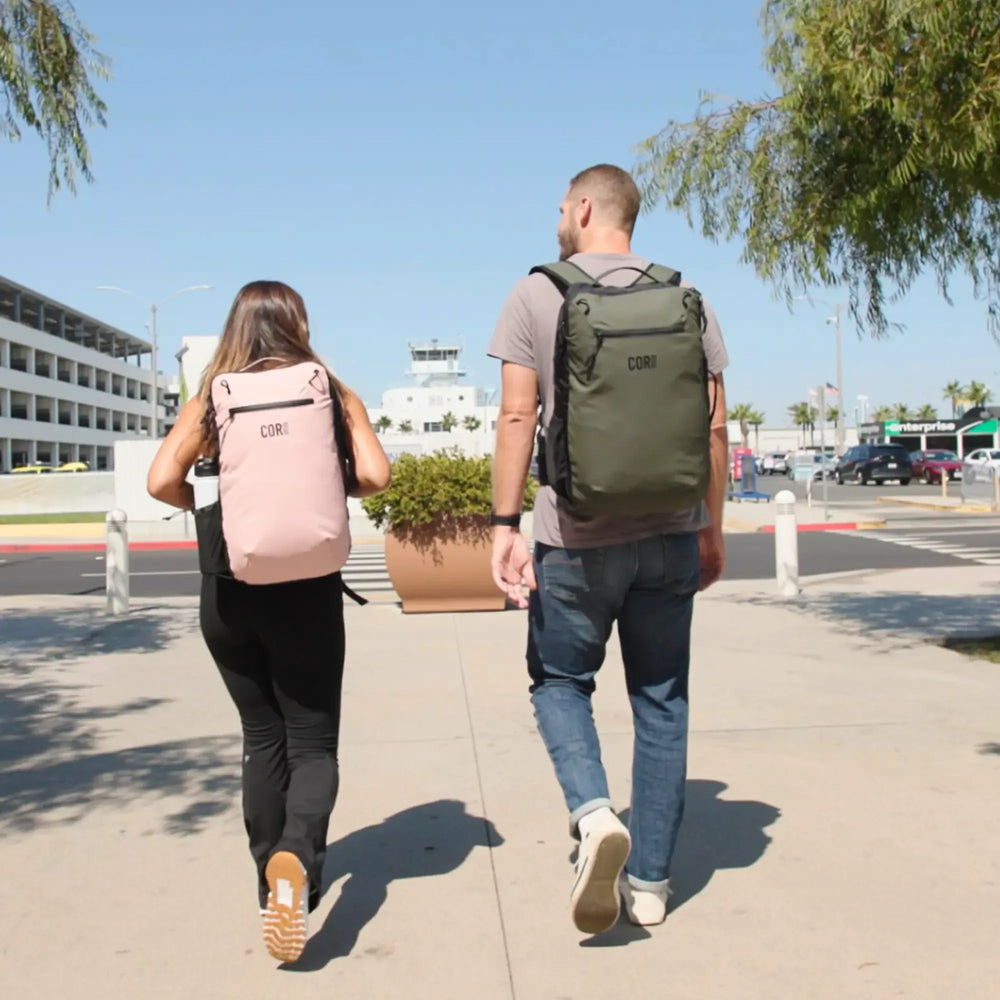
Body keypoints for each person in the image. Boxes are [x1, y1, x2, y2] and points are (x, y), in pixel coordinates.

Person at [487, 164, 729, 934]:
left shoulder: (536, 292)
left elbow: (517, 419)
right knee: (662, 701)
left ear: (583, 208)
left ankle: (595, 818)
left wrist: (503, 525)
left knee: (560, 682)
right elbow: (717, 429)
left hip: (576, 537)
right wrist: (712, 528)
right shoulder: (687, 296)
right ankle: (652, 884)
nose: (559, 217)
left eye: (562, 206)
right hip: (670, 533)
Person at [148, 281, 391, 962]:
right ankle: (297, 856)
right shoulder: (331, 390)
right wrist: (319, 478)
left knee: (262, 737)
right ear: (299, 324)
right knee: (313, 744)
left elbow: (160, 480)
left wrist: (214, 484)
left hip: (230, 586)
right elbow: (376, 476)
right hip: (306, 588)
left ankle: (270, 885)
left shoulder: (214, 394)